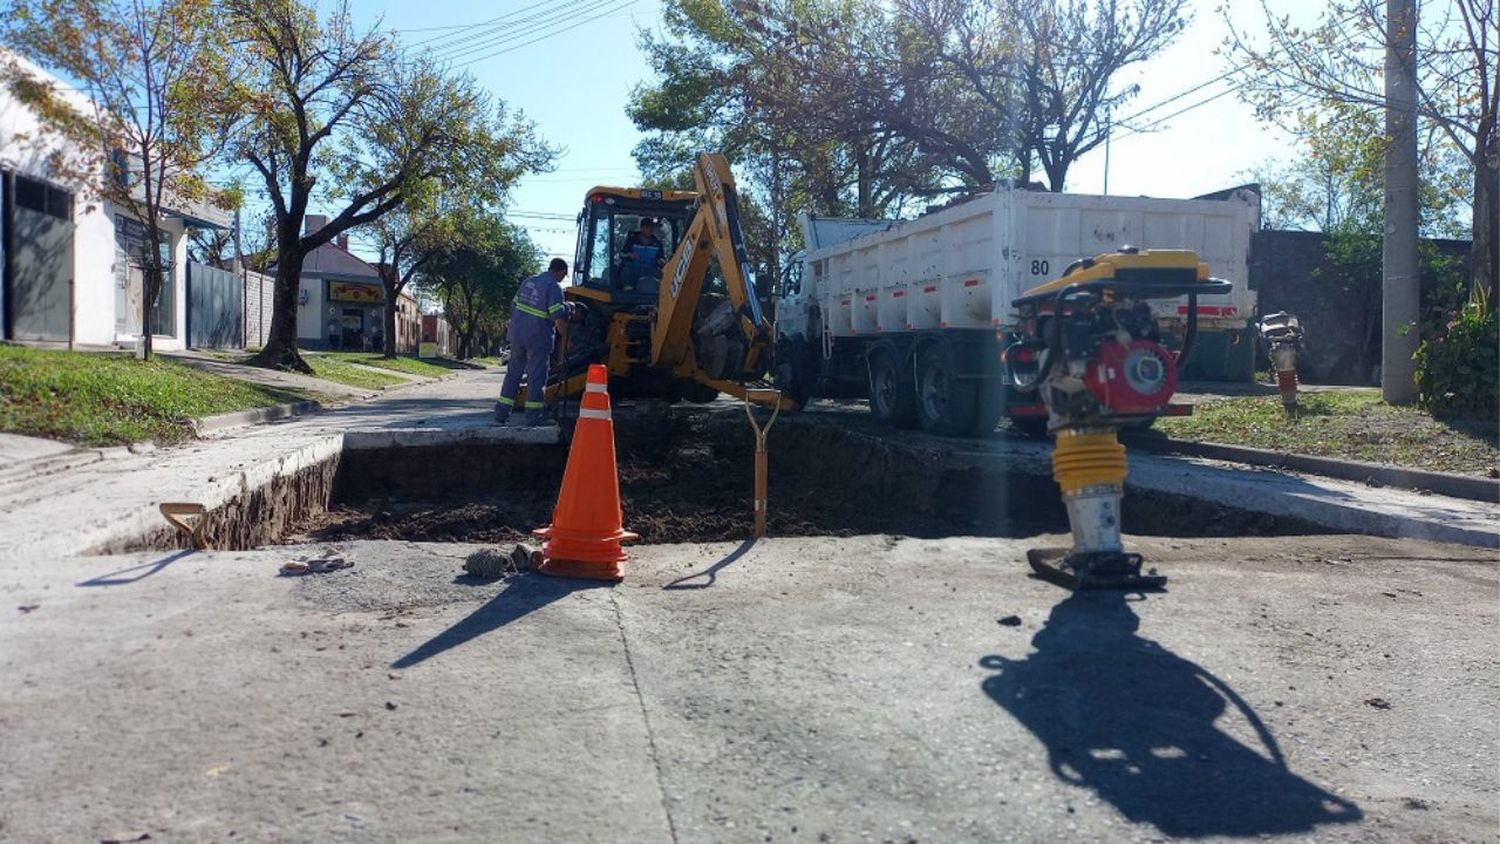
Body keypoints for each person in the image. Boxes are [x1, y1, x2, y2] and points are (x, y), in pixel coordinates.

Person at [494, 258, 569, 426]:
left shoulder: (529, 282)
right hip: (538, 338)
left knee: (513, 374)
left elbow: (514, 306)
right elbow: (557, 314)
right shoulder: (554, 287)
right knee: (536, 377)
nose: (563, 278)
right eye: (564, 275)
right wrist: (567, 308)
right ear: (561, 271)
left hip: (517, 336)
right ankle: (534, 417)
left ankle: (501, 414)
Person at [617, 217, 666, 289]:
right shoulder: (632, 240)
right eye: (647, 227)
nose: (650, 230)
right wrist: (629, 255)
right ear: (642, 228)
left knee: (651, 282)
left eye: (651, 228)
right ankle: (628, 291)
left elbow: (662, 259)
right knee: (627, 271)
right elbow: (621, 254)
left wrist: (661, 261)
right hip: (633, 270)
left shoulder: (657, 243)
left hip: (650, 271)